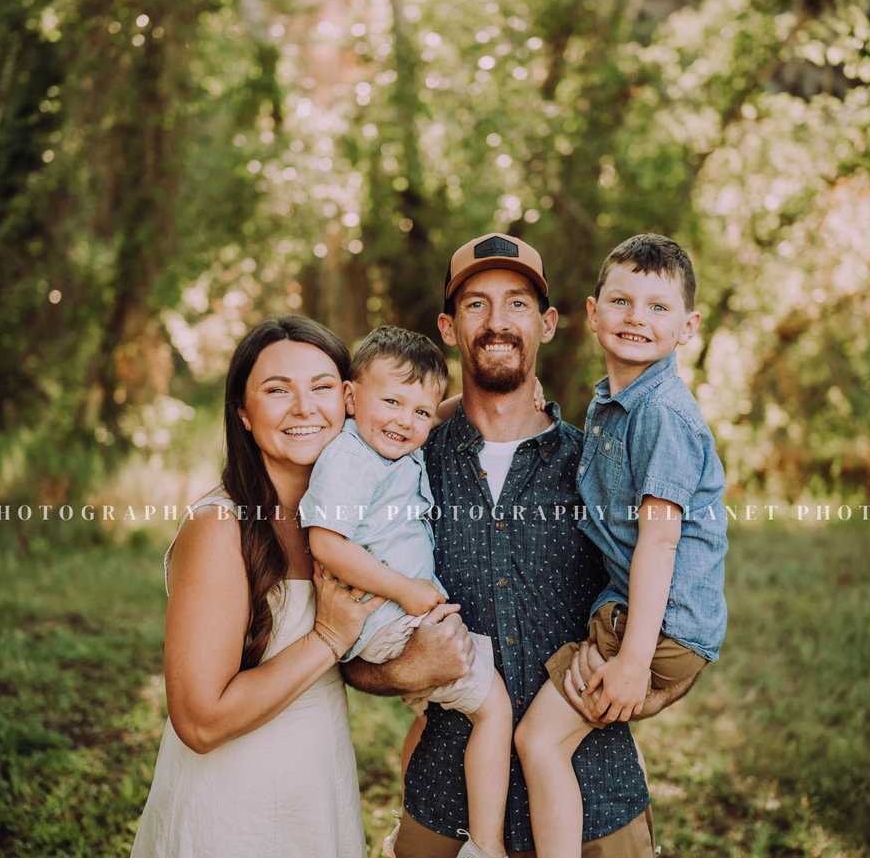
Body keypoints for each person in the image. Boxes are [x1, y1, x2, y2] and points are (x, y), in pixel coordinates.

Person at [340, 233, 695, 858]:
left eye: (518, 304)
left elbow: (679, 605)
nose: (497, 322)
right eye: (476, 305)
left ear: (550, 323)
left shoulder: (598, 468)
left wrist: (642, 684)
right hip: (447, 808)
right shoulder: (403, 470)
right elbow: (341, 635)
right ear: (449, 328)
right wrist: (401, 670)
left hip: (596, 806)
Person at [129, 315, 385, 858]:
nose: (304, 408)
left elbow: (417, 413)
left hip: (316, 795)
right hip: (229, 814)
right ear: (244, 413)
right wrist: (328, 640)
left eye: (321, 387)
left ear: (349, 400)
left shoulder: (346, 519)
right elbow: (199, 721)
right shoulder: (219, 529)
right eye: (276, 390)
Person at [514, 233, 728, 857]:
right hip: (636, 617)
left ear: (687, 327)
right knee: (565, 714)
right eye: (622, 300)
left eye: (659, 307)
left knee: (538, 740)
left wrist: (633, 662)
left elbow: (660, 544)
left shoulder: (663, 413)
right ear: (593, 312)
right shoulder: (616, 403)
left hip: (660, 628)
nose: (637, 317)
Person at [300, 324, 513, 858]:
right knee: (496, 710)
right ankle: (484, 847)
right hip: (393, 617)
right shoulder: (350, 458)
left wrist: (476, 398)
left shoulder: (386, 445)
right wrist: (407, 589)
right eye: (391, 402)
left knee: (432, 715)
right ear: (350, 397)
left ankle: (407, 814)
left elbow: (427, 411)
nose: (405, 421)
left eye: (420, 412)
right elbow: (326, 542)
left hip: (397, 616)